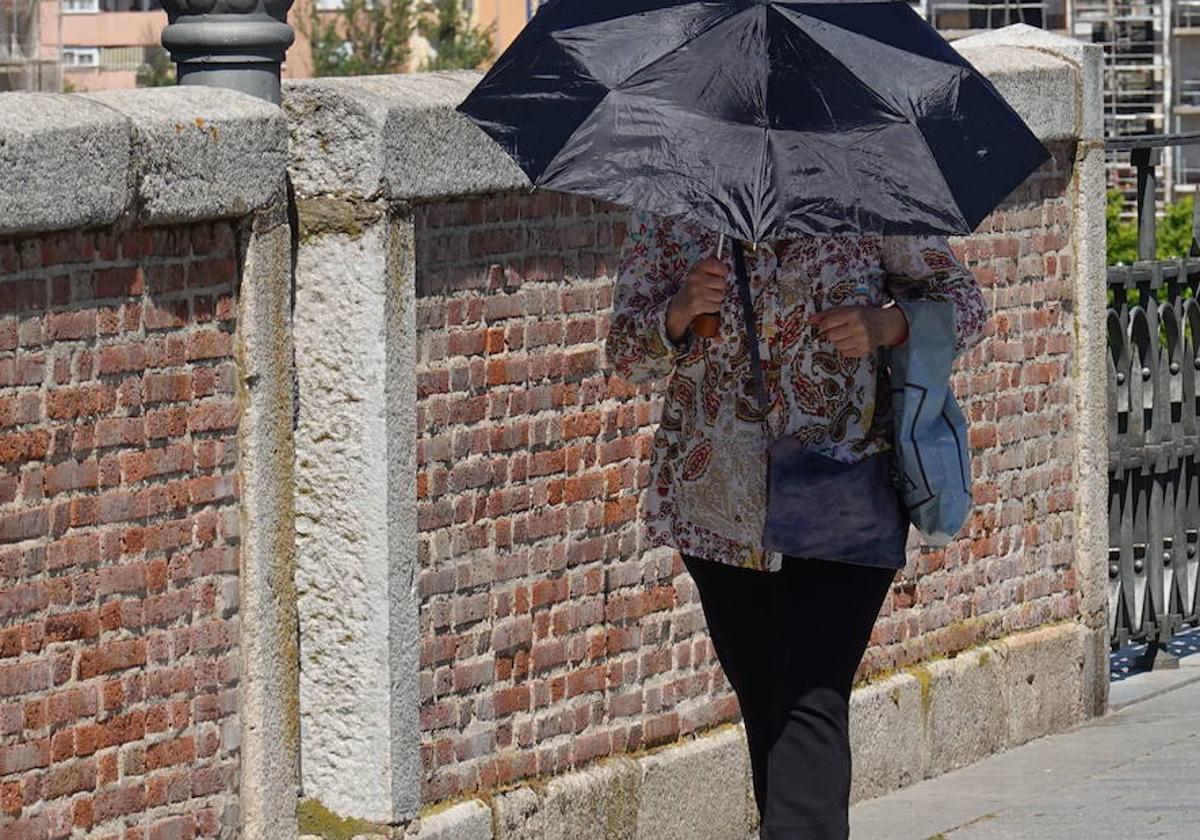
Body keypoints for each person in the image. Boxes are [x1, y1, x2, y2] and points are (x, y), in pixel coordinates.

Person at [603, 210, 987, 840]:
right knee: (767, 701)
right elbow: (625, 352)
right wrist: (677, 310)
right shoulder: (678, 208)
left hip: (844, 491)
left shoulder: (864, 192)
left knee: (811, 697)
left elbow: (965, 306)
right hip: (719, 507)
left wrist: (886, 325)